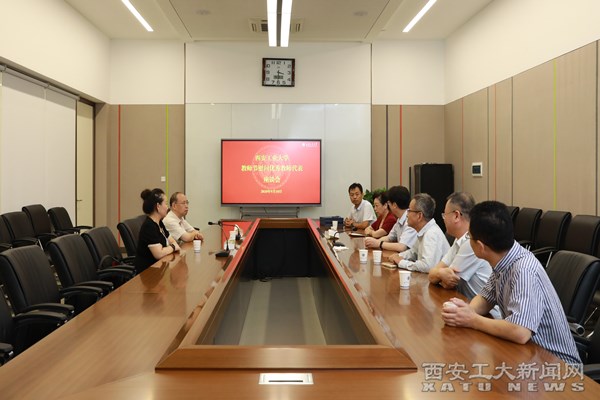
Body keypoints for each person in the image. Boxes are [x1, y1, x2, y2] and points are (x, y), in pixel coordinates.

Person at [441, 201, 580, 364]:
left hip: (558, 366)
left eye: (469, 237)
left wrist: (472, 320)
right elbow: (486, 298)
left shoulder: (523, 270)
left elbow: (520, 332)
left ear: (480, 246)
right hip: (528, 355)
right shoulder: (503, 258)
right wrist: (465, 311)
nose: (468, 241)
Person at [428, 192, 493, 300]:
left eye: (445, 215)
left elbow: (448, 283)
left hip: (484, 309)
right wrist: (439, 273)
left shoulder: (471, 243)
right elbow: (432, 273)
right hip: (466, 303)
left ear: (456, 216)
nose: (444, 219)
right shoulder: (459, 239)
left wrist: (438, 274)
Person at [389, 193, 449, 272]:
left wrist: (402, 262)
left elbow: (427, 266)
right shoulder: (424, 231)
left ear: (419, 216)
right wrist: (398, 256)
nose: (406, 214)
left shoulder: (431, 234)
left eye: (409, 211)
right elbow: (413, 252)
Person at [134, 188, 181, 274]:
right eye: (165, 203)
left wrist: (169, 247)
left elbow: (172, 241)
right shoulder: (149, 226)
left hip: (158, 268)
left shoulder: (159, 223)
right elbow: (158, 254)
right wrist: (173, 247)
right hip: (147, 273)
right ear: (158, 206)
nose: (167, 207)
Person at [364, 185, 417, 252]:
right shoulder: (399, 219)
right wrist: (374, 242)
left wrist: (379, 243)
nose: (388, 205)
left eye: (389, 203)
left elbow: (402, 247)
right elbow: (389, 237)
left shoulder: (410, 220)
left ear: (394, 205)